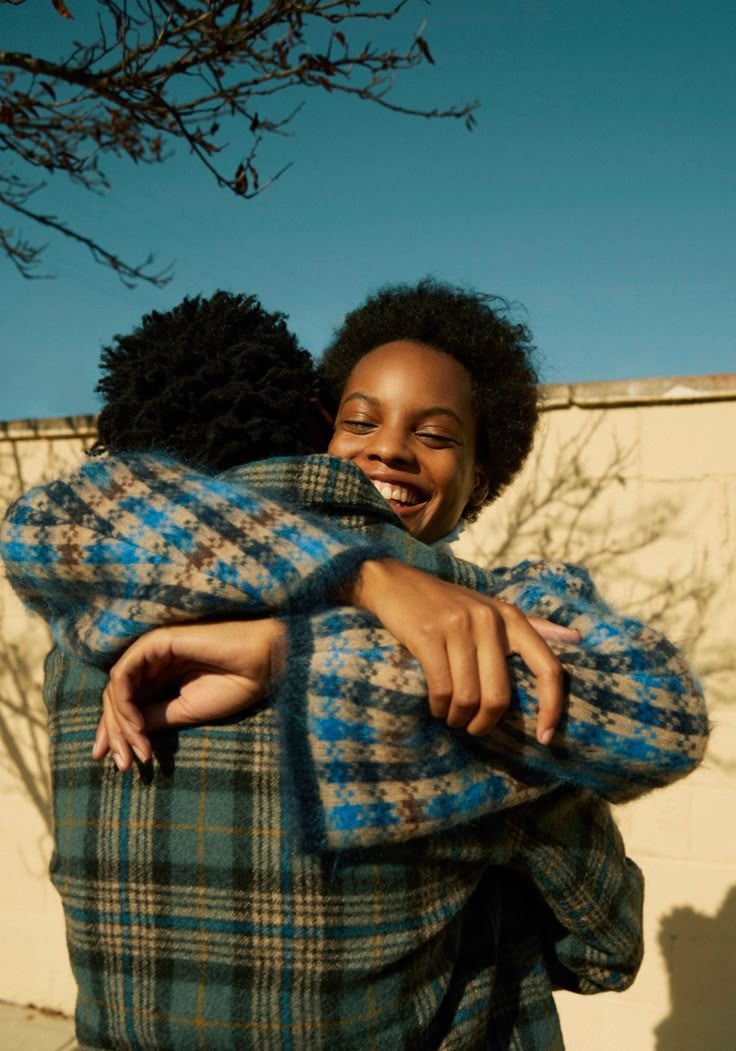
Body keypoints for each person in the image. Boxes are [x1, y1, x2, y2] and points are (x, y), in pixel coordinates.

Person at [1, 285, 707, 1048]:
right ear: (317, 427)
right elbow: (605, 947)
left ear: (484, 469)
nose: (389, 448)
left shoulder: (85, 645)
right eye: (360, 419)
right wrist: (361, 588)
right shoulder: (498, 622)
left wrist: (289, 649)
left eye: (435, 434)